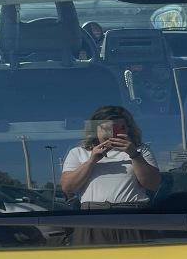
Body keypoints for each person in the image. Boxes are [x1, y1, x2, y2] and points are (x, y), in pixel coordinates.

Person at [59, 105, 162, 244]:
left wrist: (134, 155)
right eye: (106, 129)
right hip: (92, 218)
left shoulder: (141, 150)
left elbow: (153, 184)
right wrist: (92, 160)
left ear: (128, 129)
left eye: (119, 128)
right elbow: (68, 187)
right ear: (95, 131)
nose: (112, 134)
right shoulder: (78, 152)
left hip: (133, 217)